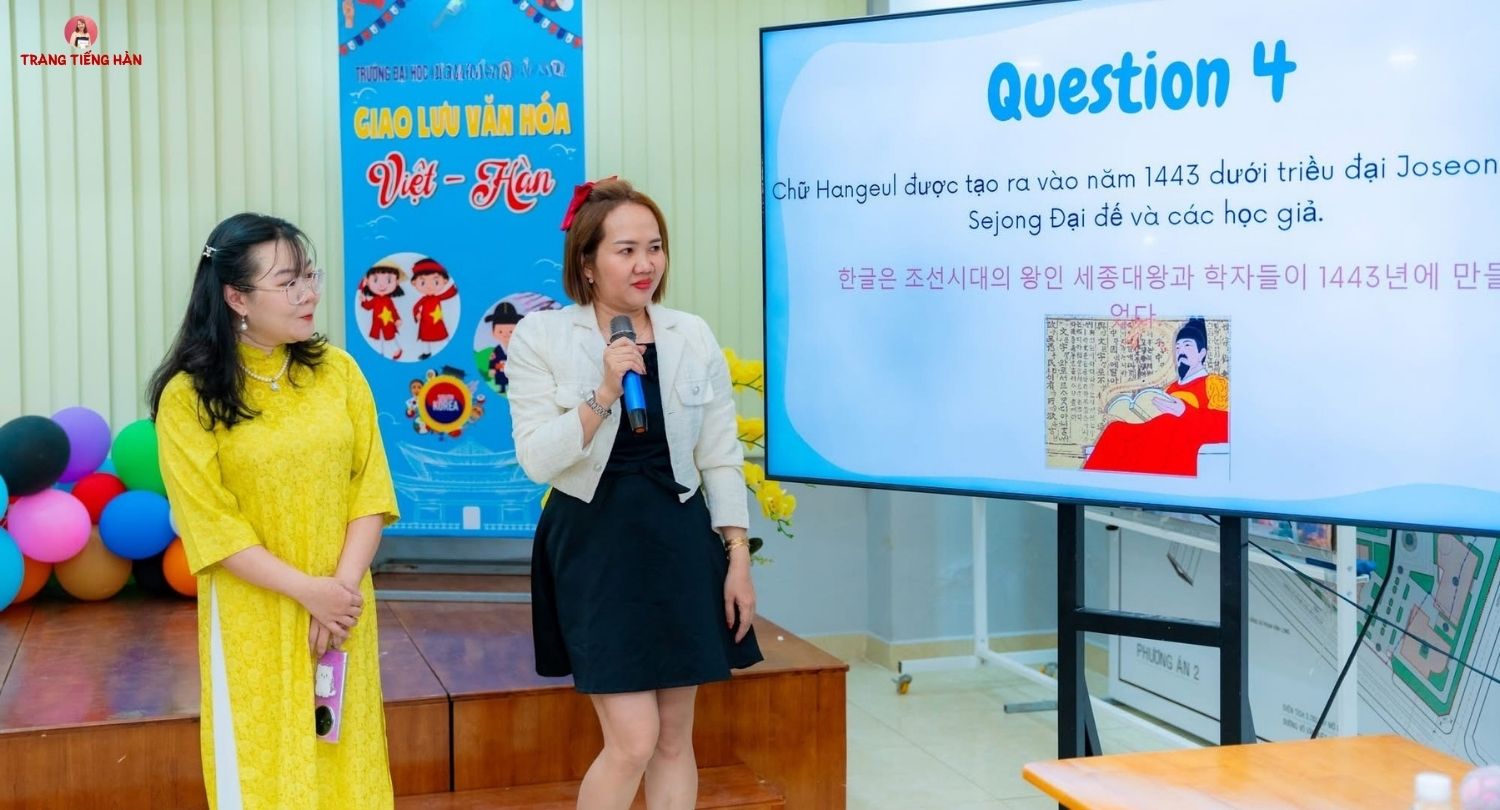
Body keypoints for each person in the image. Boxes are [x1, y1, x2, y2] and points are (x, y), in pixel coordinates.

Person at [507, 178, 762, 809]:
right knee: (633, 740)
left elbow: (719, 456)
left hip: (679, 540)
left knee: (674, 739)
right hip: (595, 547)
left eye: (655, 247)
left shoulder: (691, 335)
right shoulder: (542, 337)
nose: (646, 263)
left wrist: (737, 556)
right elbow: (537, 459)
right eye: (626, 250)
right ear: (587, 263)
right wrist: (603, 393)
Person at [149, 213, 400, 809]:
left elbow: (369, 490)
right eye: (288, 282)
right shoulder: (189, 397)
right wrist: (309, 593)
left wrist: (338, 594)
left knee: (346, 759)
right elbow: (212, 527)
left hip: (343, 608)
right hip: (255, 613)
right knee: (265, 763)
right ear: (236, 297)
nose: (308, 293)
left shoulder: (338, 372)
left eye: (309, 276)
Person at [1082, 316, 1229, 476]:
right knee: (1115, 429)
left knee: (1166, 423)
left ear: (1202, 353)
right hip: (1161, 436)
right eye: (1178, 347)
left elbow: (1226, 425)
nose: (1181, 352)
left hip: (1184, 442)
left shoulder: (1214, 383)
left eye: (1187, 346)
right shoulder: (1171, 388)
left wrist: (1185, 412)